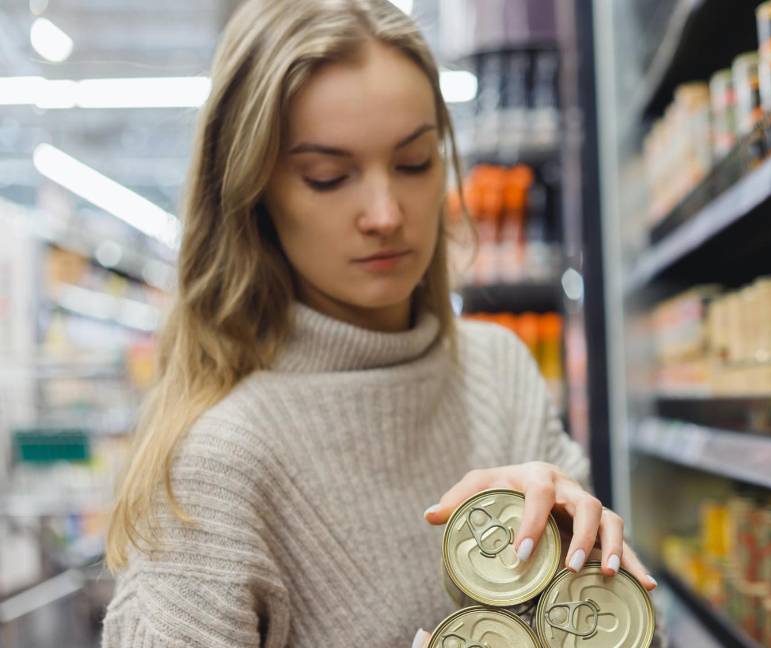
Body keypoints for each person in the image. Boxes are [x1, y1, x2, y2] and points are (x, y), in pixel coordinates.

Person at [100, 1, 654, 645]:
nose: (387, 213)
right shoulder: (216, 465)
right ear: (251, 192)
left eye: (415, 163)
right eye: (328, 176)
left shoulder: (497, 370)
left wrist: (587, 576)